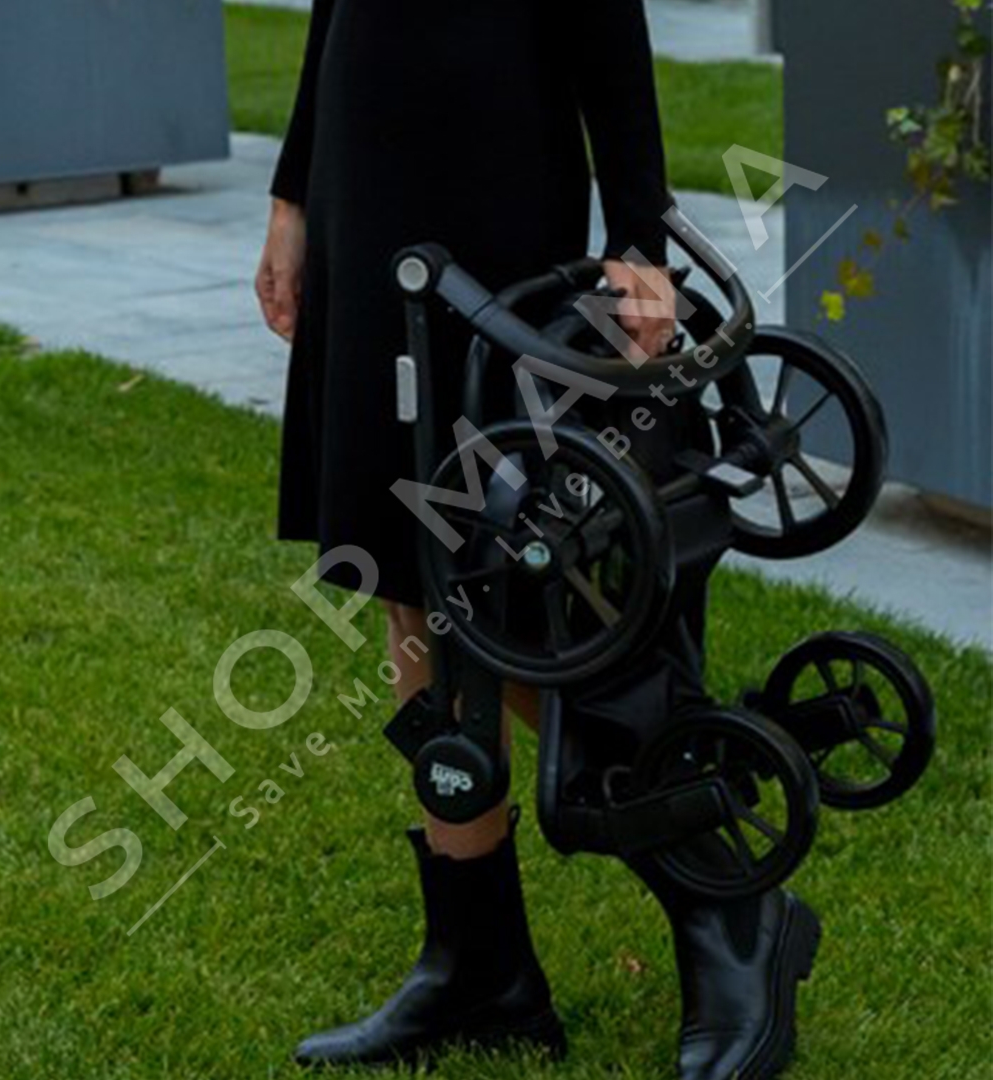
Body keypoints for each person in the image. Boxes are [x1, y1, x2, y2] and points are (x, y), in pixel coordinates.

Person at [255, 2, 819, 1077]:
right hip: (362, 193)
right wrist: (292, 197)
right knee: (413, 573)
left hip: (494, 195)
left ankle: (728, 905)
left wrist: (640, 238)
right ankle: (479, 965)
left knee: (522, 598)